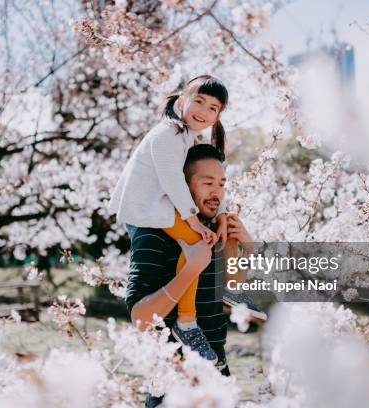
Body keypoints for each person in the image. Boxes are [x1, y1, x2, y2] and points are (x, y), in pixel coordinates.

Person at [124, 145, 264, 408]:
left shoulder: (215, 230)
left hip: (216, 373)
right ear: (181, 187)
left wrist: (248, 248)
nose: (217, 192)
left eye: (221, 183)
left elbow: (230, 290)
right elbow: (141, 319)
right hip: (172, 383)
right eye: (206, 182)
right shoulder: (152, 234)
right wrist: (191, 268)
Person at [109, 75, 233, 361]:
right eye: (198, 101)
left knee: (201, 241)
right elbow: (173, 182)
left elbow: (210, 179)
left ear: (218, 116)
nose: (203, 111)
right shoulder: (169, 133)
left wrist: (223, 213)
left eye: (213, 108)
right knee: (197, 242)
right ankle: (186, 322)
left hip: (162, 209)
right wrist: (194, 221)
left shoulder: (189, 137)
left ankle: (207, 305)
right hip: (146, 211)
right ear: (181, 102)